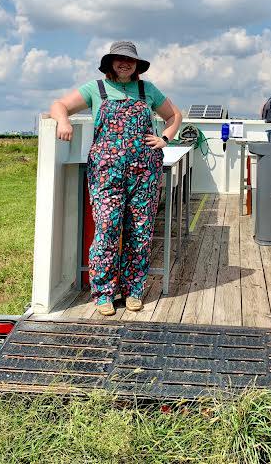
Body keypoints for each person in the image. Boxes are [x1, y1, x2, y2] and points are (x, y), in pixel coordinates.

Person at [50, 41, 182, 316]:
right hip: (106, 173)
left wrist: (165, 138)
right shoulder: (95, 89)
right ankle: (104, 293)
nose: (125, 63)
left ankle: (134, 291)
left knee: (140, 231)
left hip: (144, 172)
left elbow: (174, 115)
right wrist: (63, 122)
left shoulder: (147, 90)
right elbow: (60, 105)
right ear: (110, 62)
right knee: (107, 229)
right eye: (119, 59)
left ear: (137, 65)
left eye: (130, 60)